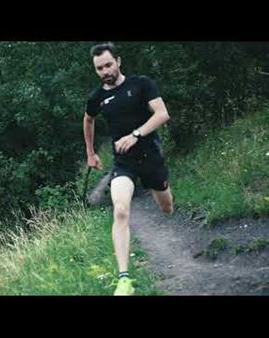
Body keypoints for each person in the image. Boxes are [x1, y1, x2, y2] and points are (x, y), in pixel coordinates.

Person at [83, 42, 174, 295]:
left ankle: (163, 190)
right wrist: (90, 153)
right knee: (121, 211)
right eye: (99, 68)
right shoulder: (97, 97)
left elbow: (162, 114)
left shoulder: (141, 84)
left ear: (118, 62)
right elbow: (88, 119)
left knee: (167, 208)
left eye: (108, 65)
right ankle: (124, 280)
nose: (105, 71)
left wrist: (135, 134)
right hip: (123, 163)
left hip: (150, 157)